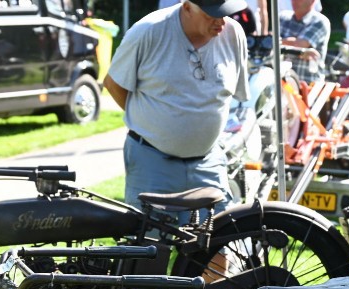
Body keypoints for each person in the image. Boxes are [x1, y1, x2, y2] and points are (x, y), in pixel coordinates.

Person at [104, 0, 248, 215]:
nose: (221, 21)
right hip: (152, 161)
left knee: (222, 242)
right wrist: (153, 121)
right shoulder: (148, 31)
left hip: (209, 161)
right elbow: (113, 83)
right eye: (211, 14)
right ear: (187, 7)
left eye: (226, 13)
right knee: (151, 245)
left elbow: (228, 94)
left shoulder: (233, 34)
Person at [280, 0, 331, 83]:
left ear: (312, 1)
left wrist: (280, 42)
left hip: (307, 83)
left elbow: (301, 44)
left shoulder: (320, 21)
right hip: (282, 81)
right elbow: (270, 41)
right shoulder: (282, 17)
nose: (295, 2)